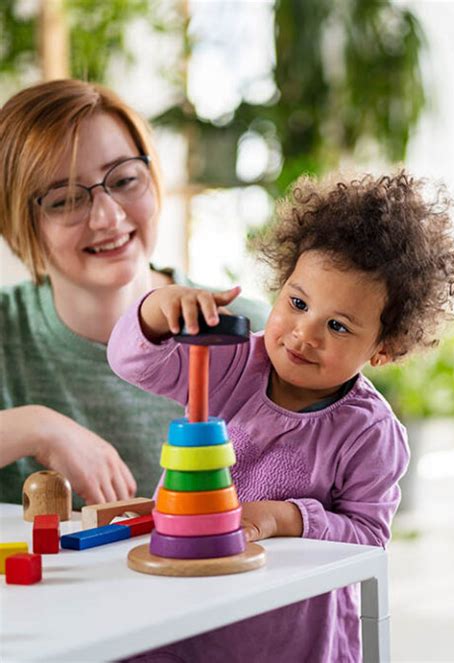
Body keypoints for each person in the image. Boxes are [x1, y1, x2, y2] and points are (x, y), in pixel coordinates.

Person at [108, 170, 454, 662]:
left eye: (337, 326)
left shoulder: (370, 432)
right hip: (184, 611)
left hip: (290, 636)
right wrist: (155, 311)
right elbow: (131, 361)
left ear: (382, 349)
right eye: (297, 303)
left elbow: (368, 540)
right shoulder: (232, 362)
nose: (303, 334)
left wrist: (285, 518)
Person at [0, 79, 269, 508]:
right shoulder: (6, 334)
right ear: (17, 224)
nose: (108, 216)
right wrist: (36, 428)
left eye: (124, 179)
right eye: (66, 199)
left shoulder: (250, 333)